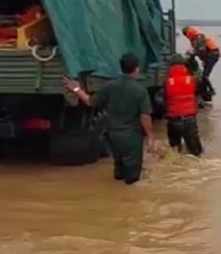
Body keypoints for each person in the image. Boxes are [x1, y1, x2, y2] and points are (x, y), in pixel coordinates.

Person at [62, 53, 155, 185]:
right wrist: (150, 136)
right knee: (132, 180)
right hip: (131, 138)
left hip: (113, 136)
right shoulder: (140, 90)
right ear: (136, 69)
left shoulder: (110, 86)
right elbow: (145, 116)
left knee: (119, 172)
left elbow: (90, 102)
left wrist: (77, 89)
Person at [163, 54, 203, 157]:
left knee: (175, 152)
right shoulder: (191, 80)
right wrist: (193, 62)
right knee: (196, 154)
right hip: (189, 120)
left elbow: (162, 100)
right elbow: (200, 76)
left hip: (173, 120)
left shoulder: (167, 82)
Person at [181, 26, 220, 96]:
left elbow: (201, 49)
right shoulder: (194, 39)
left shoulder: (199, 37)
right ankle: (204, 91)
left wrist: (191, 53)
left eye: (185, 33)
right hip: (209, 56)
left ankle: (210, 91)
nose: (186, 36)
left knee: (205, 75)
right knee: (203, 75)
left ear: (189, 32)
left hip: (212, 55)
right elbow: (197, 50)